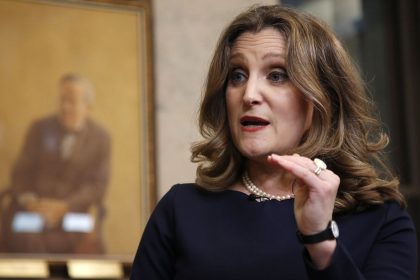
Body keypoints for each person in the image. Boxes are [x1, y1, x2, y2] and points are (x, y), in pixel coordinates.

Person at [131, 5, 417, 279]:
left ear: (323, 99)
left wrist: (319, 240)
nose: (249, 94)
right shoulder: (181, 210)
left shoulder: (381, 218)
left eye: (277, 76)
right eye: (237, 76)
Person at [0, 73, 111, 254]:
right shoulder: (39, 129)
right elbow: (20, 173)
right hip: (31, 212)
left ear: (87, 106)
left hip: (72, 215)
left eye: (72, 101)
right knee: (26, 236)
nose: (65, 107)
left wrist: (65, 206)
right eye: (62, 100)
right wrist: (31, 202)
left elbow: (97, 185)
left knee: (63, 243)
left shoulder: (100, 138)